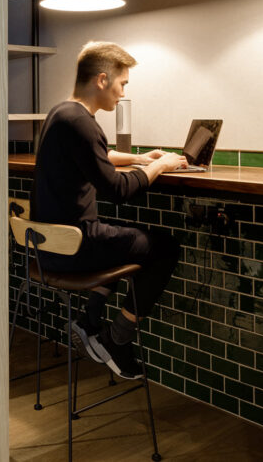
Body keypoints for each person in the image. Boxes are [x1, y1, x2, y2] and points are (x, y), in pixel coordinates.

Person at [31, 41, 186, 379]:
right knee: (165, 248)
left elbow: (94, 156)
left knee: (122, 234)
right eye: (122, 84)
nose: (122, 92)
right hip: (73, 250)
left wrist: (140, 159)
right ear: (102, 80)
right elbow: (118, 190)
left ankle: (89, 321)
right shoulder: (82, 122)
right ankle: (117, 339)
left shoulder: (62, 113)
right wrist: (163, 167)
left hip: (51, 246)